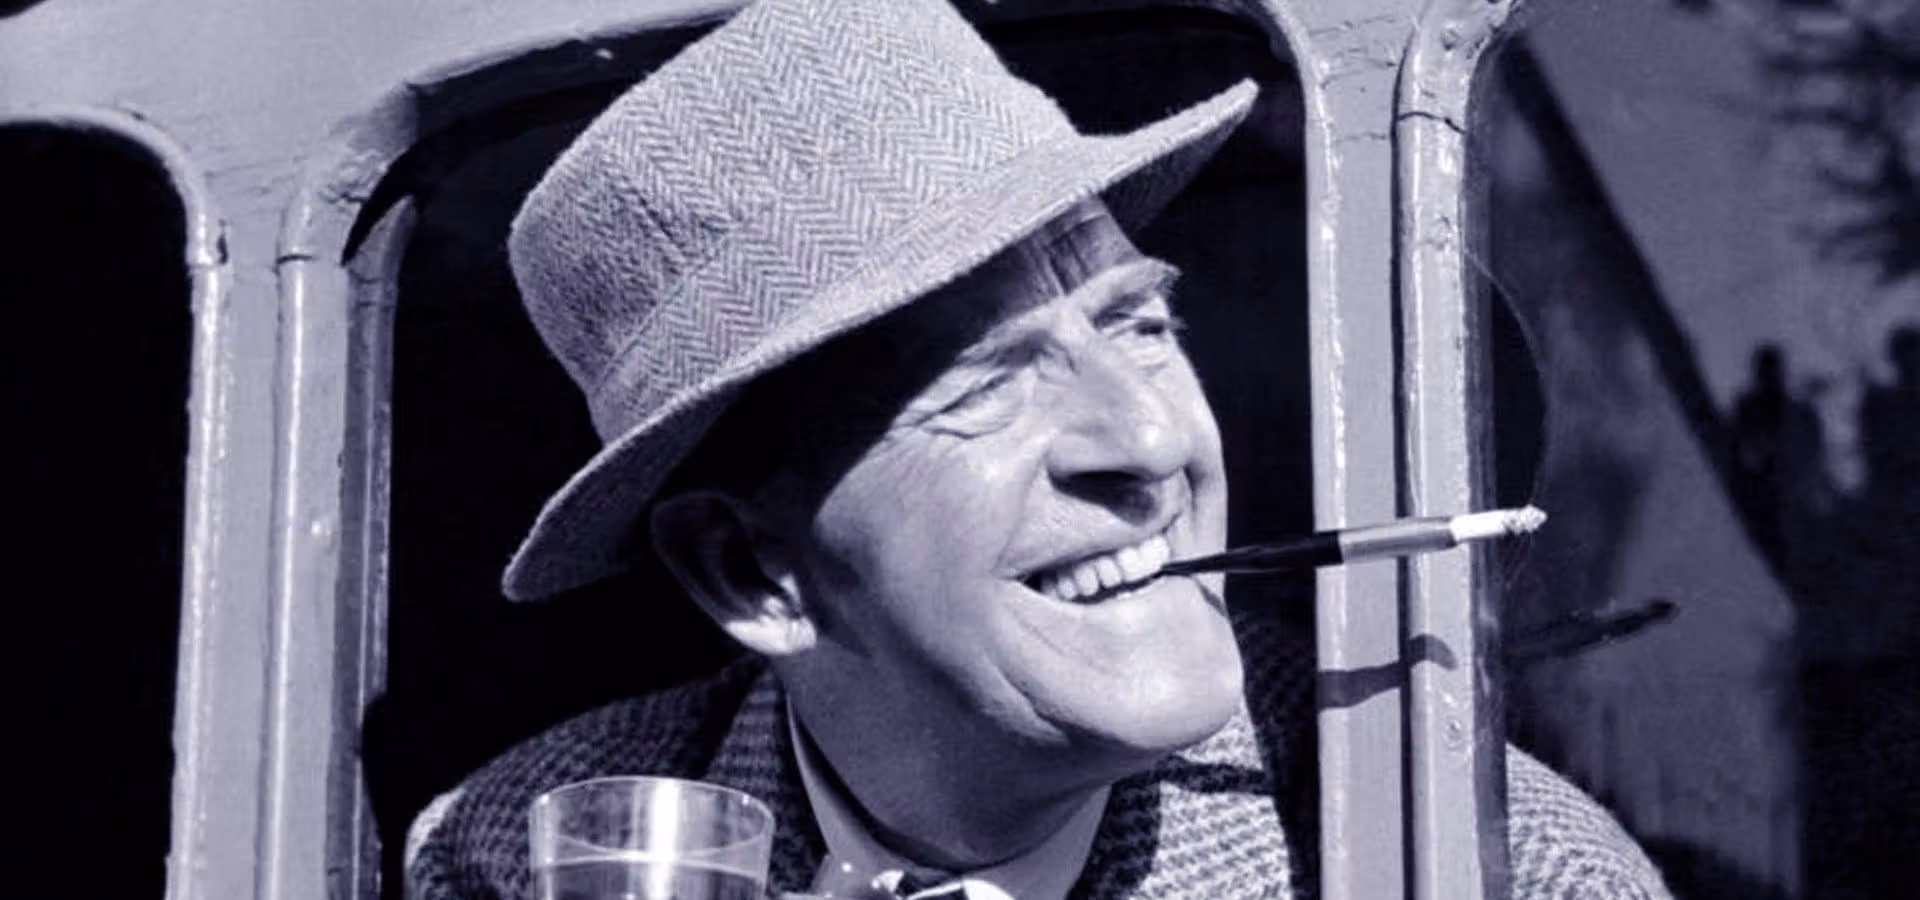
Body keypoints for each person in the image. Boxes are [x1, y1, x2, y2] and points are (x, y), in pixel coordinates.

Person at [405, 0, 1672, 897]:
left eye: (1140, 325)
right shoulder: (516, 857)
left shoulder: (1510, 875)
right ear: (751, 570)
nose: (1153, 441)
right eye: (989, 385)